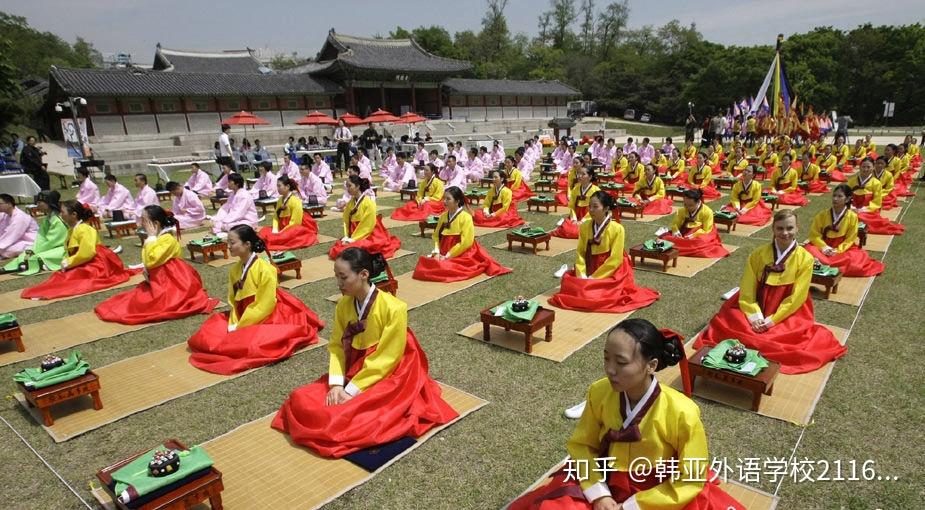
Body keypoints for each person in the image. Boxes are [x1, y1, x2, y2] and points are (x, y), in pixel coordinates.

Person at [510, 319, 744, 510]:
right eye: (606, 358)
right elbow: (582, 446)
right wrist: (598, 494)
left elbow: (691, 476)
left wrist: (631, 507)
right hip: (604, 476)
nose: (610, 370)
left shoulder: (682, 411)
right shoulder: (600, 392)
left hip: (658, 491)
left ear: (651, 366)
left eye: (621, 362)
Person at [271, 247, 459, 458]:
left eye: (343, 277)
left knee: (340, 417)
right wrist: (335, 384)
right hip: (354, 368)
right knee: (300, 398)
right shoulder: (344, 305)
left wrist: (350, 390)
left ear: (364, 274)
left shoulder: (394, 308)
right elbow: (336, 346)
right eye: (336, 277)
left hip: (388, 375)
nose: (339, 284)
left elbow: (387, 358)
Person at [695, 210, 846, 374]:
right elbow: (747, 288)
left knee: (782, 339)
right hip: (757, 304)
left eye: (789, 228)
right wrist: (754, 316)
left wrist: (772, 321)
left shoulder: (805, 258)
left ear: (797, 229)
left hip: (786, 310)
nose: (785, 233)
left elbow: (797, 296)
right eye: (780, 228)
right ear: (773, 229)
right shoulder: (758, 254)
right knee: (731, 321)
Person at [188, 225, 323, 374]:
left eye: (232, 243)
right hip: (243, 312)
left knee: (251, 345)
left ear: (247, 244)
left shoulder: (266, 269)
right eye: (228, 242)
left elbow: (265, 304)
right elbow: (234, 300)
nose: (229, 246)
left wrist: (241, 325)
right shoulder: (235, 269)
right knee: (210, 333)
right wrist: (235, 320)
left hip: (266, 314)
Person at [95, 205, 218, 324]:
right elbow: (148, 261)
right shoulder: (158, 238)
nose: (142, 223)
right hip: (160, 279)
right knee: (134, 300)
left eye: (144, 220)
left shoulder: (167, 239)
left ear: (156, 224)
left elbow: (151, 261)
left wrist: (151, 239)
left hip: (173, 282)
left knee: (146, 304)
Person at [550, 191, 659, 313]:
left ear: (606, 208)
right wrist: (581, 273)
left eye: (595, 207)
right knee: (571, 282)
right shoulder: (585, 226)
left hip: (611, 269)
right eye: (589, 206)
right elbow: (580, 252)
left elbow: (616, 259)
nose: (591, 210)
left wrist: (594, 277)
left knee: (596, 294)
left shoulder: (617, 229)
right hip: (589, 264)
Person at [21, 201, 136, 300]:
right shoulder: (73, 229)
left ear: (74, 215)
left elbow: (87, 253)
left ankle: (48, 292)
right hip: (83, 261)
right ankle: (46, 290)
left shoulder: (85, 229)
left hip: (97, 263)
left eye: (63, 212)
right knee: (61, 276)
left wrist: (69, 262)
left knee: (73, 278)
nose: (61, 215)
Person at [412, 186, 510, 282]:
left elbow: (466, 242)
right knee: (424, 264)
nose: (444, 202)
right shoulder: (443, 216)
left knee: (445, 267)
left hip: (463, 252)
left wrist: (447, 255)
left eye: (448, 199)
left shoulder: (466, 217)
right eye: (444, 198)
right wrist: (437, 251)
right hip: (444, 249)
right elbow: (436, 235)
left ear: (457, 201)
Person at [803, 184, 884, 277]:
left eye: (840, 196)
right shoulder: (822, 215)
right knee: (808, 249)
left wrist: (838, 250)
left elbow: (851, 238)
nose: (835, 199)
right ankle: (828, 263)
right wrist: (824, 247)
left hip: (842, 248)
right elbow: (814, 235)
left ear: (847, 199)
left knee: (856, 258)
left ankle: (825, 264)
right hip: (823, 246)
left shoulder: (852, 216)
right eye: (834, 195)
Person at [328, 175, 402, 260]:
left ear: (358, 186)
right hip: (355, 232)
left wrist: (353, 239)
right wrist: (347, 236)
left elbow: (368, 224)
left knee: (351, 251)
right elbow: (346, 221)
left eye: (350, 186)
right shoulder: (350, 203)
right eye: (347, 186)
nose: (347, 189)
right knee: (339, 249)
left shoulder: (369, 202)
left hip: (369, 233)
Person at [2, 191, 66, 275]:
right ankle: (9, 268)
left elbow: (53, 241)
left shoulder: (58, 220)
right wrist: (32, 250)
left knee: (37, 256)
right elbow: (41, 237)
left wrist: (35, 251)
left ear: (48, 203)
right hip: (45, 245)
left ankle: (29, 264)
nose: (37, 205)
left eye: (40, 202)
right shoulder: (47, 219)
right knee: (26, 253)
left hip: (62, 247)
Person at [660, 189, 730, 258]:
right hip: (684, 232)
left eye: (690, 205)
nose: (687, 207)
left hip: (701, 233)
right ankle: (683, 244)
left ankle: (681, 245)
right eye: (685, 204)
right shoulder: (682, 210)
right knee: (666, 238)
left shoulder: (707, 211)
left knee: (701, 242)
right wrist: (676, 231)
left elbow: (706, 229)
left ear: (698, 202)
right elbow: (675, 223)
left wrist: (693, 235)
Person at [257, 175, 320, 251]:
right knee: (265, 231)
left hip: (294, 227)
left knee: (285, 236)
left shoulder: (296, 201)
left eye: (279, 186)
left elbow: (295, 222)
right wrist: (275, 229)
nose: (277, 188)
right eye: (277, 186)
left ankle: (277, 238)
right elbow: (276, 216)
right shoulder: (280, 200)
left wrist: (282, 231)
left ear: (287, 186)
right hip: (282, 226)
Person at [847, 157, 904, 235]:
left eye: (868, 167)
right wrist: (851, 207)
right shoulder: (851, 181)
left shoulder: (876, 183)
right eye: (863, 167)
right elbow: (846, 197)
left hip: (868, 210)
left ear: (873, 167)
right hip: (853, 207)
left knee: (860, 217)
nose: (865, 169)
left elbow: (877, 202)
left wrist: (863, 209)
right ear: (859, 167)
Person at [552, 166, 600, 239]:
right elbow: (572, 206)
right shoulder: (576, 188)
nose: (580, 176)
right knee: (566, 230)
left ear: (590, 177)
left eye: (583, 174)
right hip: (576, 215)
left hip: (590, 216)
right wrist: (574, 219)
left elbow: (596, 209)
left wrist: (583, 220)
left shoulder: (596, 190)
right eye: (579, 174)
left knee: (578, 232)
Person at [0, 194, 38, 259]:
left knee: (7, 250)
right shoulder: (5, 215)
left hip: (29, 242)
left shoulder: (20, 216)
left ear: (9, 204)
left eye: (0, 204)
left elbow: (12, 235)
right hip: (16, 240)